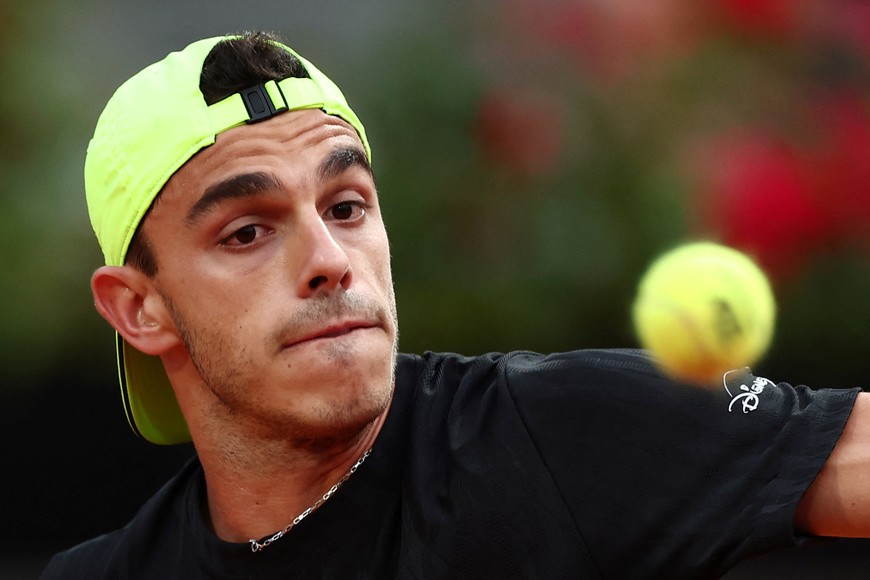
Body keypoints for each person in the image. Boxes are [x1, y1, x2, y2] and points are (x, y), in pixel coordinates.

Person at [41, 30, 870, 579]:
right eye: (248, 232)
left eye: (346, 207)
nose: (330, 261)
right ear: (139, 310)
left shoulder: (558, 430)